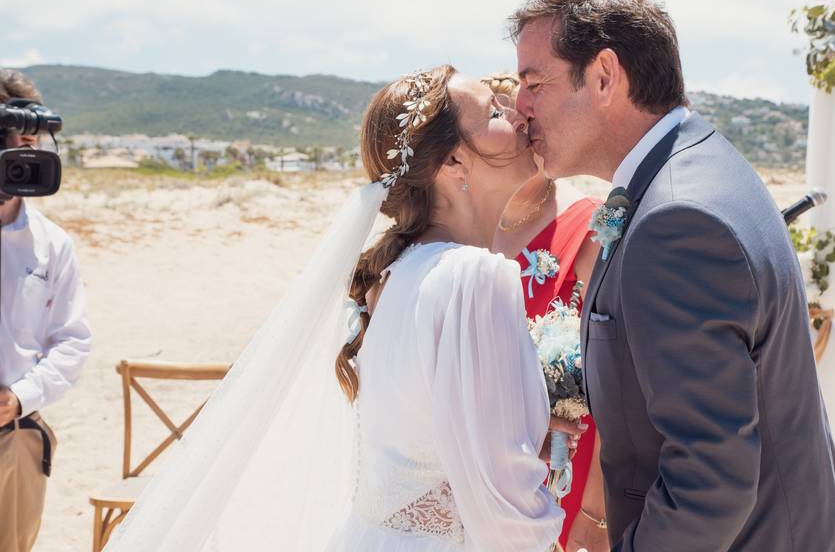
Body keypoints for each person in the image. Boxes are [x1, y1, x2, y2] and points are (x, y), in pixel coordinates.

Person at [106, 66, 566, 552]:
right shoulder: (472, 277)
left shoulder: (394, 277)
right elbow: (504, 515)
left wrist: (526, 442)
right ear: (453, 161)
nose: (517, 116)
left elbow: (430, 444)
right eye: (494, 112)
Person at [510, 0, 835, 551]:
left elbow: (709, 481)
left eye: (533, 82)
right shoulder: (695, 164)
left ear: (603, 76)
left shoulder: (677, 220)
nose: (520, 108)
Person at [486, 72, 607, 552]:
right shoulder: (460, 236)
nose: (526, 135)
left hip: (569, 474)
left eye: (531, 122)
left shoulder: (593, 224)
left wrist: (596, 514)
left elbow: (620, 390)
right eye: (510, 125)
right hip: (487, 477)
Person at [0, 69, 92, 552]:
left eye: (32, 138)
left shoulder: (52, 244)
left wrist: (21, 396)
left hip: (16, 438)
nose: (24, 150)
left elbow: (73, 339)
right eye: (14, 136)